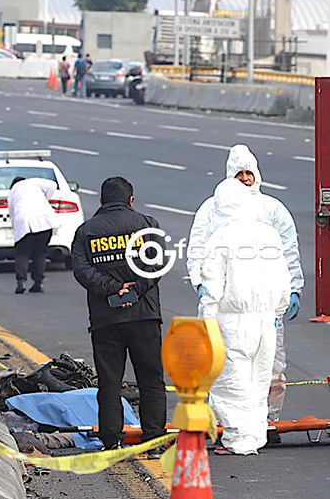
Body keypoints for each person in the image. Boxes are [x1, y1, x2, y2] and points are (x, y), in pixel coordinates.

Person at [187, 144, 303, 438]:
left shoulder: (272, 209)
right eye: (239, 174)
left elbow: (288, 253)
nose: (245, 179)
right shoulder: (212, 208)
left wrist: (293, 290)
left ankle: (267, 423)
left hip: (264, 309)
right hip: (229, 308)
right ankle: (230, 427)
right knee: (228, 372)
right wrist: (201, 285)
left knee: (271, 372)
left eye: (248, 173)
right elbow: (198, 249)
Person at [70, 177, 166, 457]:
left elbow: (82, 270)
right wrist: (136, 290)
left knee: (109, 382)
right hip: (144, 316)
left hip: (105, 319)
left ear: (101, 200)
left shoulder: (86, 231)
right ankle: (154, 441)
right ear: (130, 200)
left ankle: (111, 441)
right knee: (151, 380)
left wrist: (113, 288)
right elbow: (157, 263)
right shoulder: (147, 224)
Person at [199, 178, 290, 455]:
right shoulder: (269, 235)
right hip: (266, 322)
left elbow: (212, 286)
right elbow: (283, 280)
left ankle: (239, 440)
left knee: (232, 383)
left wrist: (206, 320)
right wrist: (278, 312)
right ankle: (255, 436)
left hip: (232, 322)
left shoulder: (221, 238)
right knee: (259, 382)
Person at [8, 177, 60, 294]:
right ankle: (38, 283)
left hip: (24, 221)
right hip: (45, 220)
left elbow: (12, 213)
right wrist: (45, 198)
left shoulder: (12, 193)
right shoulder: (33, 182)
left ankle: (21, 281)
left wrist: (16, 231)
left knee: (22, 253)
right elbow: (52, 185)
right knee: (40, 252)